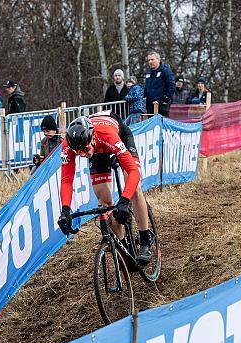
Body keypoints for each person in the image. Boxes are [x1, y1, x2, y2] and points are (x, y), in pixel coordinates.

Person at [57, 114, 153, 263]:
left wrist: (124, 200)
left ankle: (145, 240)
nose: (83, 154)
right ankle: (124, 249)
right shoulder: (68, 146)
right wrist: (65, 210)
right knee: (105, 203)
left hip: (118, 137)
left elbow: (134, 171)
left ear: (92, 138)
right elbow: (66, 181)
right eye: (78, 152)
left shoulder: (106, 135)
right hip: (98, 152)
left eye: (85, 149)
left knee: (134, 189)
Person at [143, 51, 175, 117]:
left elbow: (172, 85)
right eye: (149, 60)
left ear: (158, 60)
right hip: (150, 106)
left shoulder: (165, 70)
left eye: (152, 59)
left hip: (162, 106)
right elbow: (146, 88)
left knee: (162, 125)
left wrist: (165, 99)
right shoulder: (148, 72)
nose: (150, 62)